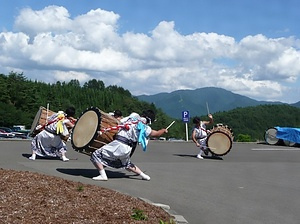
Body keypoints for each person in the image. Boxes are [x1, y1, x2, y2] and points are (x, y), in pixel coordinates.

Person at [90, 109, 168, 181]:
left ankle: (103, 175)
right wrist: (163, 130)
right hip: (127, 148)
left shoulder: (133, 117)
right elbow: (157, 133)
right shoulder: (146, 128)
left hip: (118, 144)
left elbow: (120, 121)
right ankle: (144, 176)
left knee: (95, 155)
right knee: (127, 164)